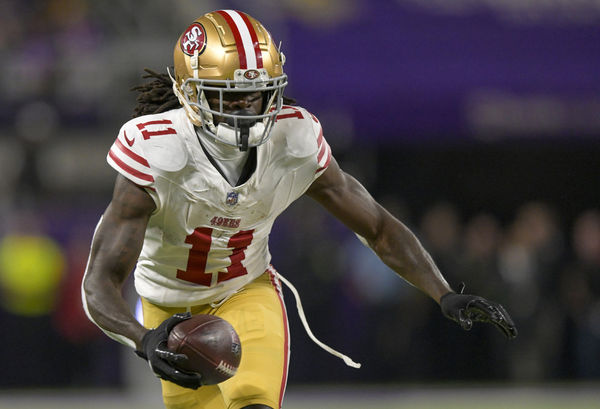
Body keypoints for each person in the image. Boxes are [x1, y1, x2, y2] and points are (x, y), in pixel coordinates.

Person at [81, 9, 517, 409]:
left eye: (254, 96)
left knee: (254, 401)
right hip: (167, 308)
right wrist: (145, 338)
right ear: (189, 93)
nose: (245, 111)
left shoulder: (294, 139)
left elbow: (378, 228)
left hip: (245, 291)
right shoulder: (157, 150)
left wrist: (444, 292)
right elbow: (99, 282)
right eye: (228, 98)